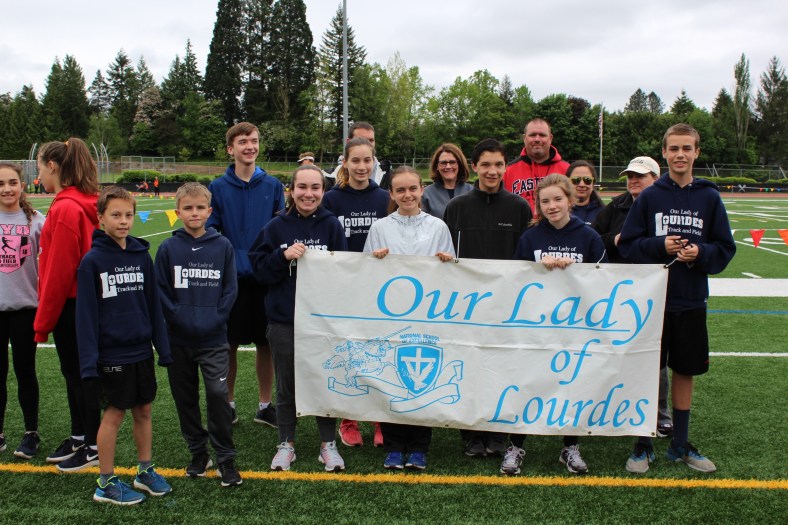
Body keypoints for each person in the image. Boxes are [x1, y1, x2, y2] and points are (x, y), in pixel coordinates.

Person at [619, 124, 736, 474]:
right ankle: (644, 443)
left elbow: (725, 248)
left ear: (697, 152)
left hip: (690, 299)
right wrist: (660, 246)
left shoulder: (709, 197)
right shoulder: (651, 196)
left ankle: (680, 443)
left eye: (687, 148)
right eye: (674, 148)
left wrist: (700, 252)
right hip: (653, 301)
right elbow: (627, 245)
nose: (680, 154)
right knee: (649, 370)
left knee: (685, 370)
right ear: (665, 153)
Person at [76, 186, 173, 505]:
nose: (123, 221)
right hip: (111, 354)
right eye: (115, 215)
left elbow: (153, 306)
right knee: (115, 413)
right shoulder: (92, 261)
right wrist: (89, 365)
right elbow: (86, 318)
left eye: (128, 215)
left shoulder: (141, 255)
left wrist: (163, 347)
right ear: (100, 217)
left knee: (144, 409)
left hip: (141, 350)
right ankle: (104, 482)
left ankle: (144, 471)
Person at [248, 165, 348, 472]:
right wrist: (282, 257)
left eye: (315, 187)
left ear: (323, 190)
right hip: (284, 321)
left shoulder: (331, 226)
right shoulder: (276, 227)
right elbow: (259, 270)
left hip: (321, 322)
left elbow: (344, 272)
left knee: (324, 382)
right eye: (302, 187)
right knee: (287, 384)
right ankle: (286, 443)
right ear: (291, 190)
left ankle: (327, 444)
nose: (309, 193)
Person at [506, 174, 607, 476]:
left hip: (576, 326)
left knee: (571, 384)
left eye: (557, 199)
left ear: (570, 199)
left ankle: (570, 446)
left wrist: (576, 270)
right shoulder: (531, 237)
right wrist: (540, 268)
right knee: (529, 382)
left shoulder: (589, 236)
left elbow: (605, 278)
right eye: (545, 201)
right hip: (537, 324)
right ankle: (516, 444)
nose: (552, 206)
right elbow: (516, 278)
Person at [443, 138, 533, 458]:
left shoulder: (520, 208)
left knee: (502, 370)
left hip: (507, 307)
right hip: (466, 307)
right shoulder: (456, 208)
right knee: (469, 369)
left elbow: (527, 259)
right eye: (486, 165)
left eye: (498, 164)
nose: (492, 171)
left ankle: (497, 433)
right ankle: (472, 435)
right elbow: (446, 258)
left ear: (505, 166)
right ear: (475, 166)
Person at [363, 166, 455, 471]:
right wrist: (375, 260)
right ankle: (394, 445)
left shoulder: (438, 227)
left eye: (413, 189)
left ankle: (418, 447)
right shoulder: (380, 228)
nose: (407, 195)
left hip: (427, 315)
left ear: (422, 190)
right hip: (390, 316)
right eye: (400, 190)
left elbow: (451, 273)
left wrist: (446, 263)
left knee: (422, 382)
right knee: (393, 378)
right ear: (391, 194)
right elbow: (364, 271)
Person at [155, 182, 242, 487]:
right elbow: (161, 291)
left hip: (214, 339)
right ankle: (197, 453)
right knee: (185, 398)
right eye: (188, 208)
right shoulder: (168, 248)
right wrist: (178, 317)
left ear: (209, 211)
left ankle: (226, 458)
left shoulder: (223, 246)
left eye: (200, 208)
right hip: (178, 340)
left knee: (218, 396)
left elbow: (230, 289)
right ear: (177, 212)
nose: (194, 213)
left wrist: (216, 317)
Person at [592, 156, 674, 452]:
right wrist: (615, 240)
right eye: (630, 176)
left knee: (655, 353)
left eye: (640, 176)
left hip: (653, 289)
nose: (633, 181)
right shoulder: (614, 207)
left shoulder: (666, 205)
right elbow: (594, 240)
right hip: (616, 289)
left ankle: (659, 413)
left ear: (656, 177)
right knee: (614, 350)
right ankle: (613, 408)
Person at [207, 122, 285, 427]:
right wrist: (236, 260)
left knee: (266, 343)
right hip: (232, 280)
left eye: (254, 140)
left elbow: (280, 228)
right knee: (229, 343)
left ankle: (265, 405)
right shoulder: (217, 187)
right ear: (231, 149)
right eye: (242, 142)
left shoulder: (273, 186)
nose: (249, 146)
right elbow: (212, 229)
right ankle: (228, 403)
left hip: (266, 279)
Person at [34, 138, 102, 472]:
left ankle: (92, 446)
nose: (39, 176)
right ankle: (80, 436)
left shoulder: (65, 208)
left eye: (39, 168)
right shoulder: (80, 203)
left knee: (80, 376)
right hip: (85, 304)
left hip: (73, 305)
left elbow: (59, 273)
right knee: (75, 374)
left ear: (52, 166)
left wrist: (42, 323)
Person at [322, 137, 391, 448]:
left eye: (368, 161)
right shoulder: (331, 199)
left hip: (379, 290)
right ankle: (348, 420)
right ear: (345, 163)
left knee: (380, 352)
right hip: (343, 288)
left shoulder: (384, 198)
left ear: (374, 163)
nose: (362, 167)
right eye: (356, 161)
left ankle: (379, 419)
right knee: (349, 354)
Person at [0, 162, 45, 460]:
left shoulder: (37, 221)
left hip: (26, 310)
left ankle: (31, 433)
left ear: (23, 184)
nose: (7, 189)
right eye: (1, 184)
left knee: (25, 372)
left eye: (12, 182)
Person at [503, 118, 570, 212]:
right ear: (524, 138)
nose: (537, 139)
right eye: (532, 135)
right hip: (520, 226)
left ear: (550, 138)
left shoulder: (567, 170)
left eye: (542, 135)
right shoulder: (507, 171)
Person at [329, 122, 392, 189]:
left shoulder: (390, 176)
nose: (367, 144)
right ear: (348, 142)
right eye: (361, 139)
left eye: (371, 140)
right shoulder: (329, 178)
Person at [422, 143, 473, 220]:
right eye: (443, 163)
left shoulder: (471, 191)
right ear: (437, 166)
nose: (448, 166)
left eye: (452, 162)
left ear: (459, 164)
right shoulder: (426, 194)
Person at [567, 161, 604, 225]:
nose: (582, 184)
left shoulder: (604, 212)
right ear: (567, 182)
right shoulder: (559, 211)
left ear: (593, 184)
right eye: (576, 180)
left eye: (587, 180)